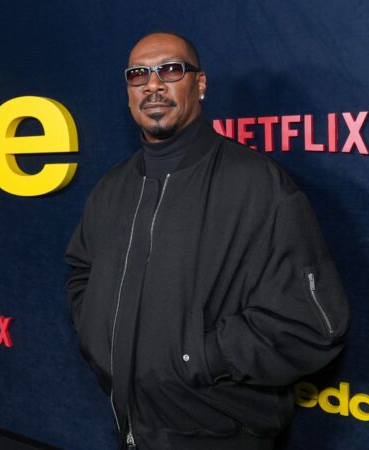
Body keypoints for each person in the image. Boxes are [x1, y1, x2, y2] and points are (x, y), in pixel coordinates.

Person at [64, 32, 349, 450]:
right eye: (138, 74)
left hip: (222, 433)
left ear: (199, 84)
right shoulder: (111, 188)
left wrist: (195, 359)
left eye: (171, 70)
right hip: (128, 429)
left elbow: (311, 323)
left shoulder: (258, 184)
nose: (153, 84)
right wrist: (99, 337)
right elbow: (81, 273)